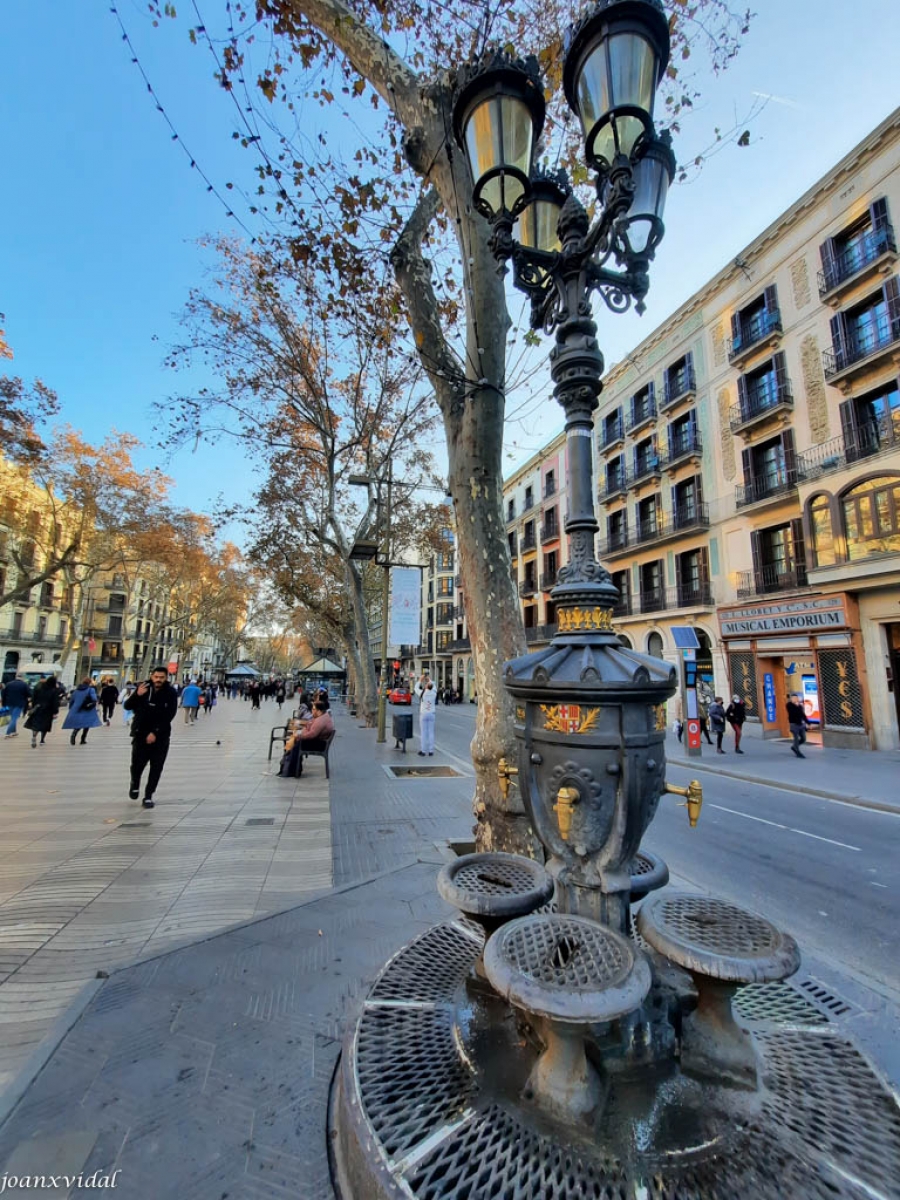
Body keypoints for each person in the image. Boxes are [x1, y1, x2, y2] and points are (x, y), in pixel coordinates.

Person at [124, 666, 179, 808]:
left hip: (160, 736)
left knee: (156, 767)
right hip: (140, 733)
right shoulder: (143, 688)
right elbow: (127, 706)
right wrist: (137, 694)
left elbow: (170, 715)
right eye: (156, 677)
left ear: (166, 678)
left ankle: (148, 795)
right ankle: (134, 783)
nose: (158, 680)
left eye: (161, 677)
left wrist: (155, 732)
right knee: (137, 765)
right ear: (152, 676)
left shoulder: (171, 693)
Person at [62, 677, 102, 745]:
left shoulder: (76, 690)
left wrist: (71, 708)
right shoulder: (91, 689)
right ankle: (83, 739)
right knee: (87, 723)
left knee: (79, 723)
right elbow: (94, 698)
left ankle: (73, 735)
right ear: (89, 683)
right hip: (87, 708)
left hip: (77, 708)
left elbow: (71, 700)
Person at [24, 675, 60, 747]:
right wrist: (55, 711)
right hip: (48, 710)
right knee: (45, 725)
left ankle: (34, 735)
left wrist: (34, 706)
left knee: (36, 724)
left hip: (38, 708)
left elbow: (34, 697)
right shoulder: (54, 690)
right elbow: (55, 702)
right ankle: (42, 739)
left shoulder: (39, 687)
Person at [1, 674, 31, 739]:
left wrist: (3, 704)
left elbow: (4, 694)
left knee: (12, 717)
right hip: (19, 704)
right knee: (14, 718)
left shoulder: (9, 684)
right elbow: (29, 694)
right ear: (22, 678)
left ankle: (14, 731)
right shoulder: (24, 684)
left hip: (9, 703)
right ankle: (7, 733)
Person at [786, 692, 810, 759]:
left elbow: (803, 715)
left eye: (796, 698)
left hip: (801, 724)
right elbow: (793, 713)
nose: (795, 699)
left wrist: (808, 723)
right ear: (791, 699)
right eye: (794, 698)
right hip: (794, 724)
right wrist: (797, 706)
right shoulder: (789, 705)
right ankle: (797, 751)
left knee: (803, 739)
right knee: (796, 738)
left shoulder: (800, 706)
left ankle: (794, 747)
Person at [418, 678, 437, 756]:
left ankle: (423, 750)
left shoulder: (422, 693)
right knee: (431, 732)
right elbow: (434, 686)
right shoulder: (434, 693)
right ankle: (431, 751)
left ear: (426, 687)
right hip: (431, 714)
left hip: (423, 714)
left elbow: (416, 687)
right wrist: (430, 680)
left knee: (423, 733)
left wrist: (420, 680)